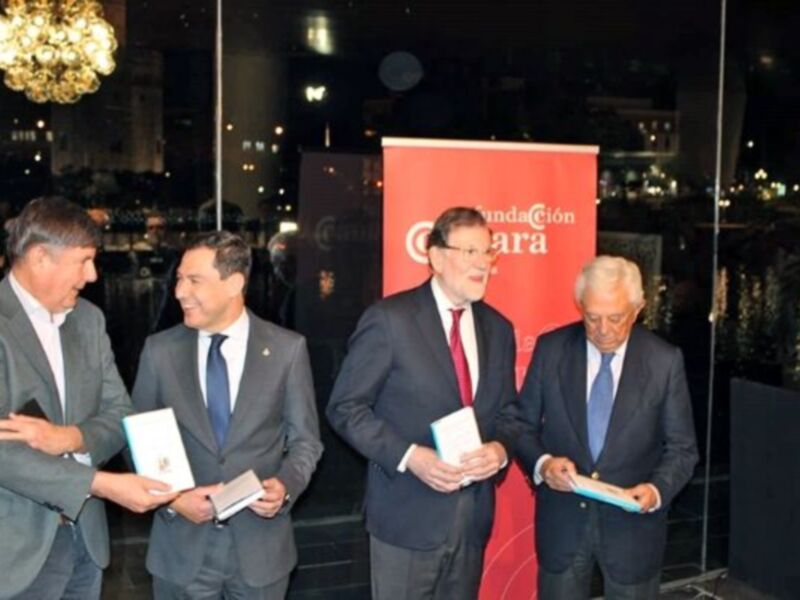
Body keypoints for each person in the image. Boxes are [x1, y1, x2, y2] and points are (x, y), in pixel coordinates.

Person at [326, 206, 519, 599]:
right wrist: (410, 456)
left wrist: (500, 451)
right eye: (470, 252)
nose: (483, 263)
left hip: (472, 521)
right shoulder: (390, 319)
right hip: (406, 517)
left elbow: (509, 413)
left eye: (488, 252)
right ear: (436, 257)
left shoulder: (499, 328)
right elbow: (345, 407)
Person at [0, 196, 176, 600]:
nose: (92, 275)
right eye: (83, 261)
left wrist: (72, 438)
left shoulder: (89, 320)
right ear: (40, 257)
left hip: (86, 545)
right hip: (15, 554)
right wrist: (102, 485)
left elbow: (120, 413)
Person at [132, 231, 323, 599]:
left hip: (260, 550)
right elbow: (137, 441)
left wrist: (285, 487)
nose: (180, 292)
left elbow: (306, 442)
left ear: (234, 283)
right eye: (179, 279)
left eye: (194, 280)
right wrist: (173, 500)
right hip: (182, 548)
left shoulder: (287, 350)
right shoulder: (160, 351)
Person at [515, 255, 699, 600]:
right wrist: (543, 464)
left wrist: (656, 490)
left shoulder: (663, 361)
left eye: (615, 318)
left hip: (632, 532)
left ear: (638, 309)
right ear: (580, 307)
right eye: (592, 317)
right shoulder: (552, 349)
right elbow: (520, 424)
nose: (603, 329)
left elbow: (683, 449)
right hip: (563, 525)